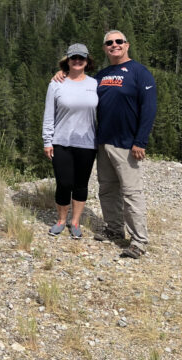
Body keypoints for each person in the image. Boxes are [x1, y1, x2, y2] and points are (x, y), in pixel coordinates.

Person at [53, 30, 157, 259]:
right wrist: (62, 74)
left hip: (127, 144)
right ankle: (114, 229)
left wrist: (141, 141)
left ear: (127, 45)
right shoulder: (101, 75)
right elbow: (79, 85)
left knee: (131, 193)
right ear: (104, 48)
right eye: (109, 43)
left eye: (119, 41)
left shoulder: (140, 73)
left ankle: (139, 241)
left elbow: (149, 108)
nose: (114, 45)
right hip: (101, 142)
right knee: (107, 190)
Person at [42, 43, 98, 239]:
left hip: (87, 143)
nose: (77, 61)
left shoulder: (94, 84)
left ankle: (75, 222)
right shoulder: (56, 84)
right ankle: (60, 220)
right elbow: (49, 114)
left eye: (81, 58)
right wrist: (47, 141)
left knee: (81, 185)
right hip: (61, 141)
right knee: (64, 183)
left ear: (87, 61)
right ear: (67, 60)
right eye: (73, 57)